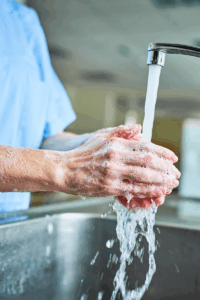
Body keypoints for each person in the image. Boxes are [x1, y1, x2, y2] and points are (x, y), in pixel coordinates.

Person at [0, 0, 180, 213]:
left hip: (13, 223)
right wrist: (67, 169)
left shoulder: (21, 19)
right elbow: (62, 164)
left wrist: (97, 148)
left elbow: (43, 138)